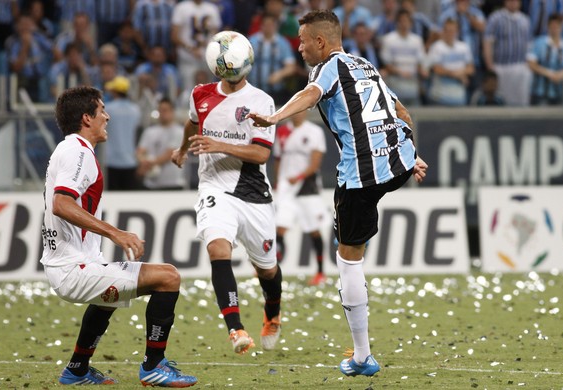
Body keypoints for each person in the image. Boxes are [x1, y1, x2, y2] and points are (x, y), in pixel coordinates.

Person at [247, 9, 428, 378]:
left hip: (360, 175)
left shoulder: (326, 68)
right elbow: (401, 112)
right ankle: (361, 352)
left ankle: (362, 356)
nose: (298, 48)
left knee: (348, 259)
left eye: (301, 41)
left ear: (320, 41)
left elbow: (310, 94)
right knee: (353, 248)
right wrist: (408, 156)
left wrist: (274, 117)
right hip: (397, 162)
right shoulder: (366, 65)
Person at [41, 85, 197, 387]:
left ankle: (77, 370)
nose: (108, 117)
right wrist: (116, 233)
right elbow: (61, 203)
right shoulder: (78, 152)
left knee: (108, 299)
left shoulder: (68, 148)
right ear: (87, 118)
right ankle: (154, 365)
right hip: (72, 268)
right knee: (169, 277)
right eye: (102, 111)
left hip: (70, 263)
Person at [171, 32, 283, 355]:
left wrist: (219, 144)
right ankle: (235, 329)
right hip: (214, 187)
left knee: (268, 270)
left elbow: (261, 155)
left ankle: (272, 312)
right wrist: (181, 150)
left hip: (253, 194)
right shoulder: (200, 95)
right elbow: (193, 124)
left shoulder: (262, 102)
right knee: (218, 249)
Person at [273, 110, 329, 286]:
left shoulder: (314, 131)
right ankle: (272, 272)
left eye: (300, 111)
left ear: (305, 113)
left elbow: (315, 162)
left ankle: (320, 272)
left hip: (307, 186)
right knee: (279, 228)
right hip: (286, 187)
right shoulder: (282, 131)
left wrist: (298, 177)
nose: (297, 114)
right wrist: (278, 181)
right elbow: (278, 159)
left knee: (313, 230)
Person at [483, 0, 532, 106]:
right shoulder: (495, 18)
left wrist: (528, 64)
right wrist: (490, 66)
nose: (513, 3)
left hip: (520, 66)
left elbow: (529, 44)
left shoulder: (525, 20)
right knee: (502, 100)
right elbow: (487, 42)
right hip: (501, 66)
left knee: (521, 101)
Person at [137, 97, 188, 190]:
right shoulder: (149, 131)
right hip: (151, 183)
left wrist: (148, 164)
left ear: (172, 112)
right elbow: (140, 151)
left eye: (165, 110)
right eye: (160, 110)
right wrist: (142, 160)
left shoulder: (179, 132)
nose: (162, 113)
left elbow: (170, 154)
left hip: (173, 183)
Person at [104, 75, 142, 190]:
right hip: (130, 160)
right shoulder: (135, 110)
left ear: (115, 92)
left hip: (111, 160)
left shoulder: (108, 109)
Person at [527, 13, 563, 106]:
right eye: (552, 26)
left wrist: (561, 74)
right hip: (540, 92)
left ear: (561, 27)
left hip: (561, 92)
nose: (554, 29)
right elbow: (531, 64)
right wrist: (549, 73)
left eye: (557, 26)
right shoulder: (539, 43)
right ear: (548, 27)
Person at [425, 18, 474, 106]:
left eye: (452, 30)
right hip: (440, 97)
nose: (450, 33)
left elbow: (471, 68)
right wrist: (457, 75)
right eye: (447, 30)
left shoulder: (463, 47)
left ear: (457, 31)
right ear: (443, 31)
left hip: (459, 97)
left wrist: (459, 73)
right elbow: (436, 69)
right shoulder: (437, 47)